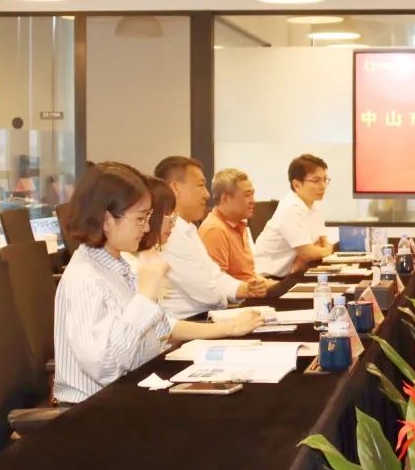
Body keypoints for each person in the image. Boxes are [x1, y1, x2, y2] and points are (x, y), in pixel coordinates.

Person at [53, 163, 263, 404]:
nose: (146, 228)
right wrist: (145, 296)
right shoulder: (85, 278)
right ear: (106, 219)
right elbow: (105, 368)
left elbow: (161, 329)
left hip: (133, 390)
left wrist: (227, 329)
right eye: (140, 218)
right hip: (94, 409)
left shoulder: (120, 262)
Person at [155, 156, 267, 320]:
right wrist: (227, 297)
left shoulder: (188, 228)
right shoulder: (169, 233)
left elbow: (214, 275)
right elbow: (208, 293)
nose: (207, 194)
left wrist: (245, 289)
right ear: (175, 188)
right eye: (201, 185)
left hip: (205, 317)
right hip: (190, 322)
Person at [255, 154, 334, 278]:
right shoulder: (290, 208)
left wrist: (308, 255)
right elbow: (310, 253)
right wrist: (328, 250)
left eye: (325, 179)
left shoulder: (314, 204)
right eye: (316, 180)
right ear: (297, 185)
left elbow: (320, 242)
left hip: (293, 272)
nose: (323, 186)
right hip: (269, 279)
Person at [199, 168, 276, 288]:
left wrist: (267, 283)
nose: (253, 201)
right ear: (225, 198)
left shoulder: (238, 224)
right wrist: (264, 286)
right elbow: (218, 284)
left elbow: (246, 273)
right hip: (241, 297)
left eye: (252, 194)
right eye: (247, 195)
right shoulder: (215, 230)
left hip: (252, 291)